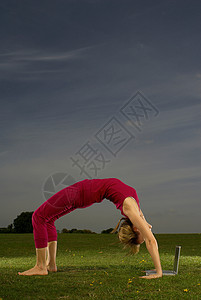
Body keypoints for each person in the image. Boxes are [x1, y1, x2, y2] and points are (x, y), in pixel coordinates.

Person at [18, 178, 162, 279]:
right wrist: (147, 225)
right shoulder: (136, 211)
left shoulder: (130, 209)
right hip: (82, 194)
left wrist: (159, 272)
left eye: (145, 233)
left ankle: (40, 266)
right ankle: (51, 265)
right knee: (49, 220)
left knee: (38, 216)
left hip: (79, 192)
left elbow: (151, 241)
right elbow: (145, 224)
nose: (148, 230)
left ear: (137, 229)